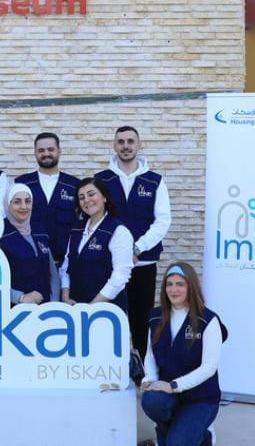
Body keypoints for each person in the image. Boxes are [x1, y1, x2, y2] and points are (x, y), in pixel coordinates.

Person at [95, 126, 172, 362]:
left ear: (139, 145)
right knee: (109, 319)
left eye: (130, 141)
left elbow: (163, 220)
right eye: (121, 141)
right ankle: (109, 367)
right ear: (114, 145)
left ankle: (142, 373)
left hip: (142, 264)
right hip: (109, 265)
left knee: (141, 322)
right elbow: (96, 218)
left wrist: (137, 248)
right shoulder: (101, 180)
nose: (125, 146)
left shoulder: (154, 181)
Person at [141, 262, 226, 446]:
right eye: (169, 284)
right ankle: (177, 430)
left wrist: (174, 385)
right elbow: (150, 355)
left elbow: (209, 367)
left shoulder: (208, 320)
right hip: (169, 394)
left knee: (178, 443)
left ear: (191, 286)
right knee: (151, 401)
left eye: (180, 284)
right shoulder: (155, 316)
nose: (173, 290)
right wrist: (150, 380)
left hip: (200, 398)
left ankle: (204, 432)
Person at [59, 177, 133, 311]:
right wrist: (65, 296)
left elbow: (120, 276)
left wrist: (92, 307)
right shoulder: (77, 229)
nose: (86, 200)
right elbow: (66, 266)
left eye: (91, 194)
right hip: (76, 308)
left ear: (104, 197)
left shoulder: (118, 231)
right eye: (81, 197)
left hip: (107, 310)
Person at [13, 132, 80, 266]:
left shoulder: (74, 185)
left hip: (66, 264)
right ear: (35, 153)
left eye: (50, 149)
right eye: (41, 150)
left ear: (59, 151)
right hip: (30, 263)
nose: (46, 154)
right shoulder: (21, 184)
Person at [0, 183, 60, 305]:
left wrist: (54, 303)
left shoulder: (40, 230)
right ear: (8, 204)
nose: (24, 206)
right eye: (17, 202)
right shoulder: (0, 234)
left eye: (28, 201)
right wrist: (19, 297)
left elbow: (53, 273)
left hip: (46, 308)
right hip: (15, 310)